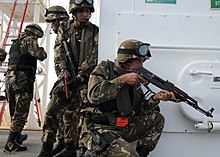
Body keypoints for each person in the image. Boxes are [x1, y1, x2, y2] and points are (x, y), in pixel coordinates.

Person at [80, 39, 175, 157]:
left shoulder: (135, 79)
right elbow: (93, 95)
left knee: (157, 118)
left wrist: (155, 99)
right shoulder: (106, 68)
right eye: (138, 61)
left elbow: (139, 111)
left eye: (142, 61)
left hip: (123, 126)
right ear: (126, 60)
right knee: (128, 154)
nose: (141, 65)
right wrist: (122, 80)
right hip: (99, 129)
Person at [38, 0, 99, 156]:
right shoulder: (65, 28)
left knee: (80, 115)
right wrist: (63, 74)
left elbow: (94, 56)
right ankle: (46, 148)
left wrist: (80, 76)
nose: (85, 14)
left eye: (87, 11)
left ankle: (71, 148)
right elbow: (58, 53)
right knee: (51, 110)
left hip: (86, 80)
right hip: (67, 78)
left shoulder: (95, 31)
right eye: (81, 11)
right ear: (74, 12)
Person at [3, 23, 47, 152]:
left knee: (14, 110)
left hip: (10, 78)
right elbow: (40, 55)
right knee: (21, 112)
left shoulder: (15, 43)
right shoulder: (29, 40)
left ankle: (17, 137)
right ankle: (10, 144)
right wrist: (42, 49)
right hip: (22, 79)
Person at [44, 5, 70, 156]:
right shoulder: (61, 36)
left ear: (60, 20)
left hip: (73, 81)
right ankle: (61, 142)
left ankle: (47, 149)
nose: (52, 25)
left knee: (51, 112)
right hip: (63, 79)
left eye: (53, 22)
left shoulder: (70, 34)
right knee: (62, 114)